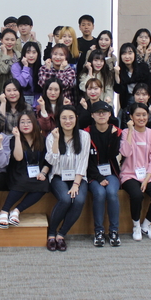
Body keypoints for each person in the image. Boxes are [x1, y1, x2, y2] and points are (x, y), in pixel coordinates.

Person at [45, 106, 91, 252]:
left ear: (76, 118)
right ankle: (51, 233)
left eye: (71, 117)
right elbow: (52, 161)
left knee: (78, 200)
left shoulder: (84, 136)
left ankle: (61, 234)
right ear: (59, 120)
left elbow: (83, 161)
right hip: (58, 176)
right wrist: (56, 140)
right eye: (64, 118)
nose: (67, 121)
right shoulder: (52, 136)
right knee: (65, 199)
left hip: (78, 177)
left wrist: (76, 184)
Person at [119, 102, 151, 241]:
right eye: (138, 115)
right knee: (137, 195)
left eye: (144, 115)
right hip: (129, 174)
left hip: (148, 175)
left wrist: (146, 179)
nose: (141, 118)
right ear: (131, 117)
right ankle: (136, 225)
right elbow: (125, 152)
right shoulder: (125, 132)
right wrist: (130, 130)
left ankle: (146, 224)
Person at [0, 111, 50, 228]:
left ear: (34, 123)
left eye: (29, 122)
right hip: (18, 171)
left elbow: (48, 161)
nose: (25, 125)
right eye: (22, 122)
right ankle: (4, 211)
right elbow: (18, 157)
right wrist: (17, 137)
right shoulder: (13, 140)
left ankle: (16, 210)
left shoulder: (42, 140)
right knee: (22, 180)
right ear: (18, 125)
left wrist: (43, 173)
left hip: (37, 172)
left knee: (44, 185)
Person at [85, 101, 122, 247]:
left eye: (104, 112)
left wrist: (113, 138)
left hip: (111, 172)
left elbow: (113, 154)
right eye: (98, 112)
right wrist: (99, 178)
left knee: (112, 193)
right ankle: (99, 231)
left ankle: (114, 231)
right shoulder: (85, 133)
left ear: (109, 114)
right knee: (99, 193)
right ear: (92, 115)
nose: (101, 115)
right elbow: (86, 161)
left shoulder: (117, 132)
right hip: (93, 174)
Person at [113, 42, 150, 126]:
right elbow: (118, 90)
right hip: (127, 103)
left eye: (130, 53)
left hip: (142, 100)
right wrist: (117, 75)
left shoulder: (143, 67)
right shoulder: (119, 70)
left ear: (134, 54)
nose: (127, 56)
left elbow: (148, 86)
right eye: (124, 53)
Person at [11, 41, 42, 108]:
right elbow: (22, 84)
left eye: (34, 52)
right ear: (24, 54)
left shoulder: (41, 68)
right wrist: (25, 67)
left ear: (38, 54)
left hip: (38, 105)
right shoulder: (16, 66)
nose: (31, 55)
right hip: (21, 104)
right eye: (28, 52)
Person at [0, 28, 21, 96]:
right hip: (3, 90)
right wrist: (5, 54)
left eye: (12, 40)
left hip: (18, 90)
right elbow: (4, 70)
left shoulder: (20, 55)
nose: (9, 42)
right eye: (7, 39)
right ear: (2, 40)